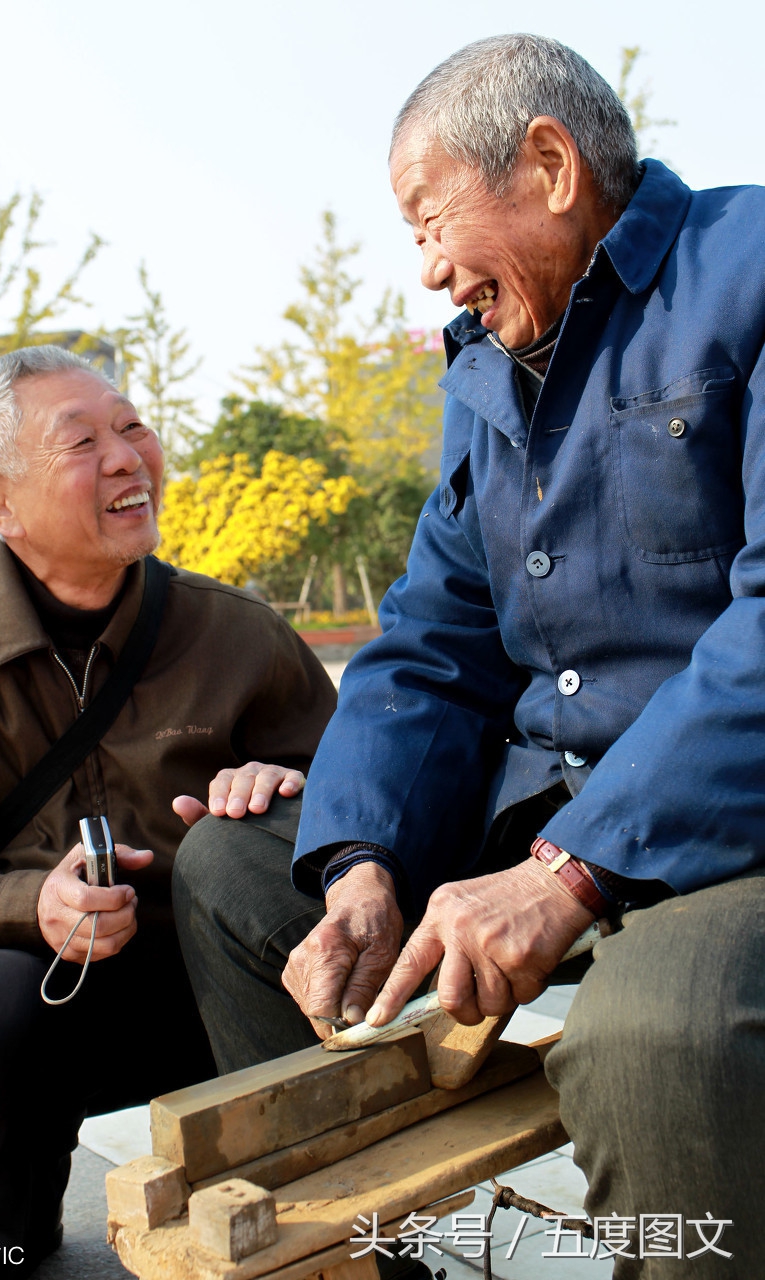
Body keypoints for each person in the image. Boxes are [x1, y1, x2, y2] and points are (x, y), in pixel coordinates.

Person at [174, 33, 765, 1278]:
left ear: (548, 164)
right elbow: (428, 643)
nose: (433, 273)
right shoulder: (486, 368)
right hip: (547, 801)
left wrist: (566, 875)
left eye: (428, 221)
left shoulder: (748, 273)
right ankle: (376, 1259)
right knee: (237, 873)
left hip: (721, 825)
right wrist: (365, 859)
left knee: (658, 1034)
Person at [0, 345, 337, 1280]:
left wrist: (278, 792)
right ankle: (11, 1204)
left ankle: (296, 1203)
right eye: (82, 441)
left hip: (211, 990)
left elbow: (356, 798)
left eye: (132, 426)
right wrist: (32, 905)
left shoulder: (239, 633)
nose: (126, 458)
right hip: (40, 997)